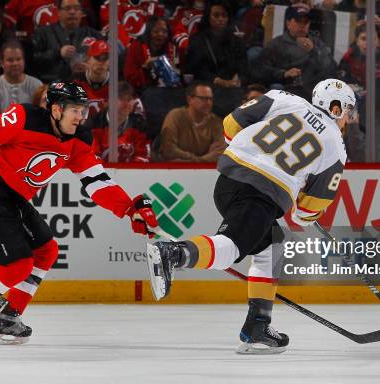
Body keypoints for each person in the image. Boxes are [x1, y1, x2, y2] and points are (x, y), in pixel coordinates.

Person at [0, 81, 158, 346]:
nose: (80, 117)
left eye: (83, 111)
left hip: (15, 200)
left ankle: (9, 316)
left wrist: (128, 209)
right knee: (17, 265)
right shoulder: (23, 118)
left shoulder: (79, 140)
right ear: (56, 109)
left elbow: (97, 181)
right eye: (75, 110)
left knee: (46, 250)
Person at [146, 79, 355, 354]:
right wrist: (303, 209)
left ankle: (258, 327)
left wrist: (250, 153)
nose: (349, 118)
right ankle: (173, 253)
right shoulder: (336, 149)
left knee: (272, 245)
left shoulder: (284, 99)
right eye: (349, 110)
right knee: (231, 247)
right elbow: (308, 211)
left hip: (229, 180)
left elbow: (231, 124)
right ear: (338, 109)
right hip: (261, 195)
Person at [254, 4, 336, 96]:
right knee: (276, 88)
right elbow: (259, 69)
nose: (302, 25)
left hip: (312, 89)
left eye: (306, 22)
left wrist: (314, 51)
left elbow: (330, 68)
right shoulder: (276, 44)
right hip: (286, 89)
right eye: (298, 21)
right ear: (288, 23)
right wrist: (284, 74)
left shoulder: (317, 44)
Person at [32, 0, 101, 83]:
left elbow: (105, 62)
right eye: (68, 8)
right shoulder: (43, 33)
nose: (72, 12)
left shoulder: (94, 35)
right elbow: (33, 61)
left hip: (86, 85)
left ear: (82, 13)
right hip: (51, 85)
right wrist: (58, 53)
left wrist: (91, 67)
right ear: (58, 12)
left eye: (76, 8)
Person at [185, 0, 247, 88]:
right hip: (205, 86)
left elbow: (244, 70)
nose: (220, 19)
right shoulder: (197, 39)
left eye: (224, 16)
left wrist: (238, 81)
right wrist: (218, 81)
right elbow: (196, 70)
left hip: (233, 88)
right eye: (216, 15)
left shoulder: (237, 41)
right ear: (208, 17)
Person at [160, 81, 225, 162]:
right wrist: (201, 159)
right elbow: (168, 149)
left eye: (210, 99)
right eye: (203, 99)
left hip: (204, 172)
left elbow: (222, 151)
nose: (208, 103)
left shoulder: (216, 122)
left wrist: (193, 161)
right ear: (190, 99)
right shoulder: (176, 116)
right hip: (177, 171)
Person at [0, 40, 43, 118]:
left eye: (18, 59)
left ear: (24, 61)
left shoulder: (37, 85)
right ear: (1, 63)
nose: (15, 63)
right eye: (10, 60)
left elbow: (41, 116)